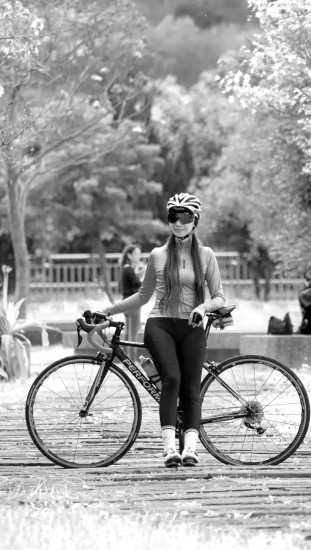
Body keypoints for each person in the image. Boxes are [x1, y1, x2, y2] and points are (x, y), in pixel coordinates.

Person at [98, 193, 225, 468]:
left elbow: (219, 297)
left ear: (195, 221)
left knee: (191, 388)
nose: (178, 223)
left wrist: (203, 308)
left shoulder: (205, 255)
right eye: (173, 217)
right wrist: (107, 311)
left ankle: (190, 449)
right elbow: (143, 297)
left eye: (185, 217)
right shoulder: (158, 255)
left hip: (192, 326)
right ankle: (169, 449)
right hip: (160, 324)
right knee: (171, 379)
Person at [118, 244, 143, 357]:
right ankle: (133, 360)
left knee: (127, 334)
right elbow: (137, 284)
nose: (139, 256)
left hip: (126, 303)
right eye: (136, 254)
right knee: (133, 335)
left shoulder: (126, 268)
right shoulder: (129, 269)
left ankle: (125, 360)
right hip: (133, 304)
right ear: (129, 255)